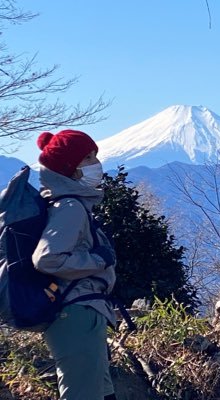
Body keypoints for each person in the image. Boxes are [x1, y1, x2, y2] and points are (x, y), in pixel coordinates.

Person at [32, 129, 118, 400]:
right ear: (72, 169)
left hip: (81, 310)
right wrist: (98, 260)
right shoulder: (70, 207)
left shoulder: (66, 203)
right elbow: (46, 258)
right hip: (77, 311)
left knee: (101, 394)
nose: (96, 163)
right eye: (89, 157)